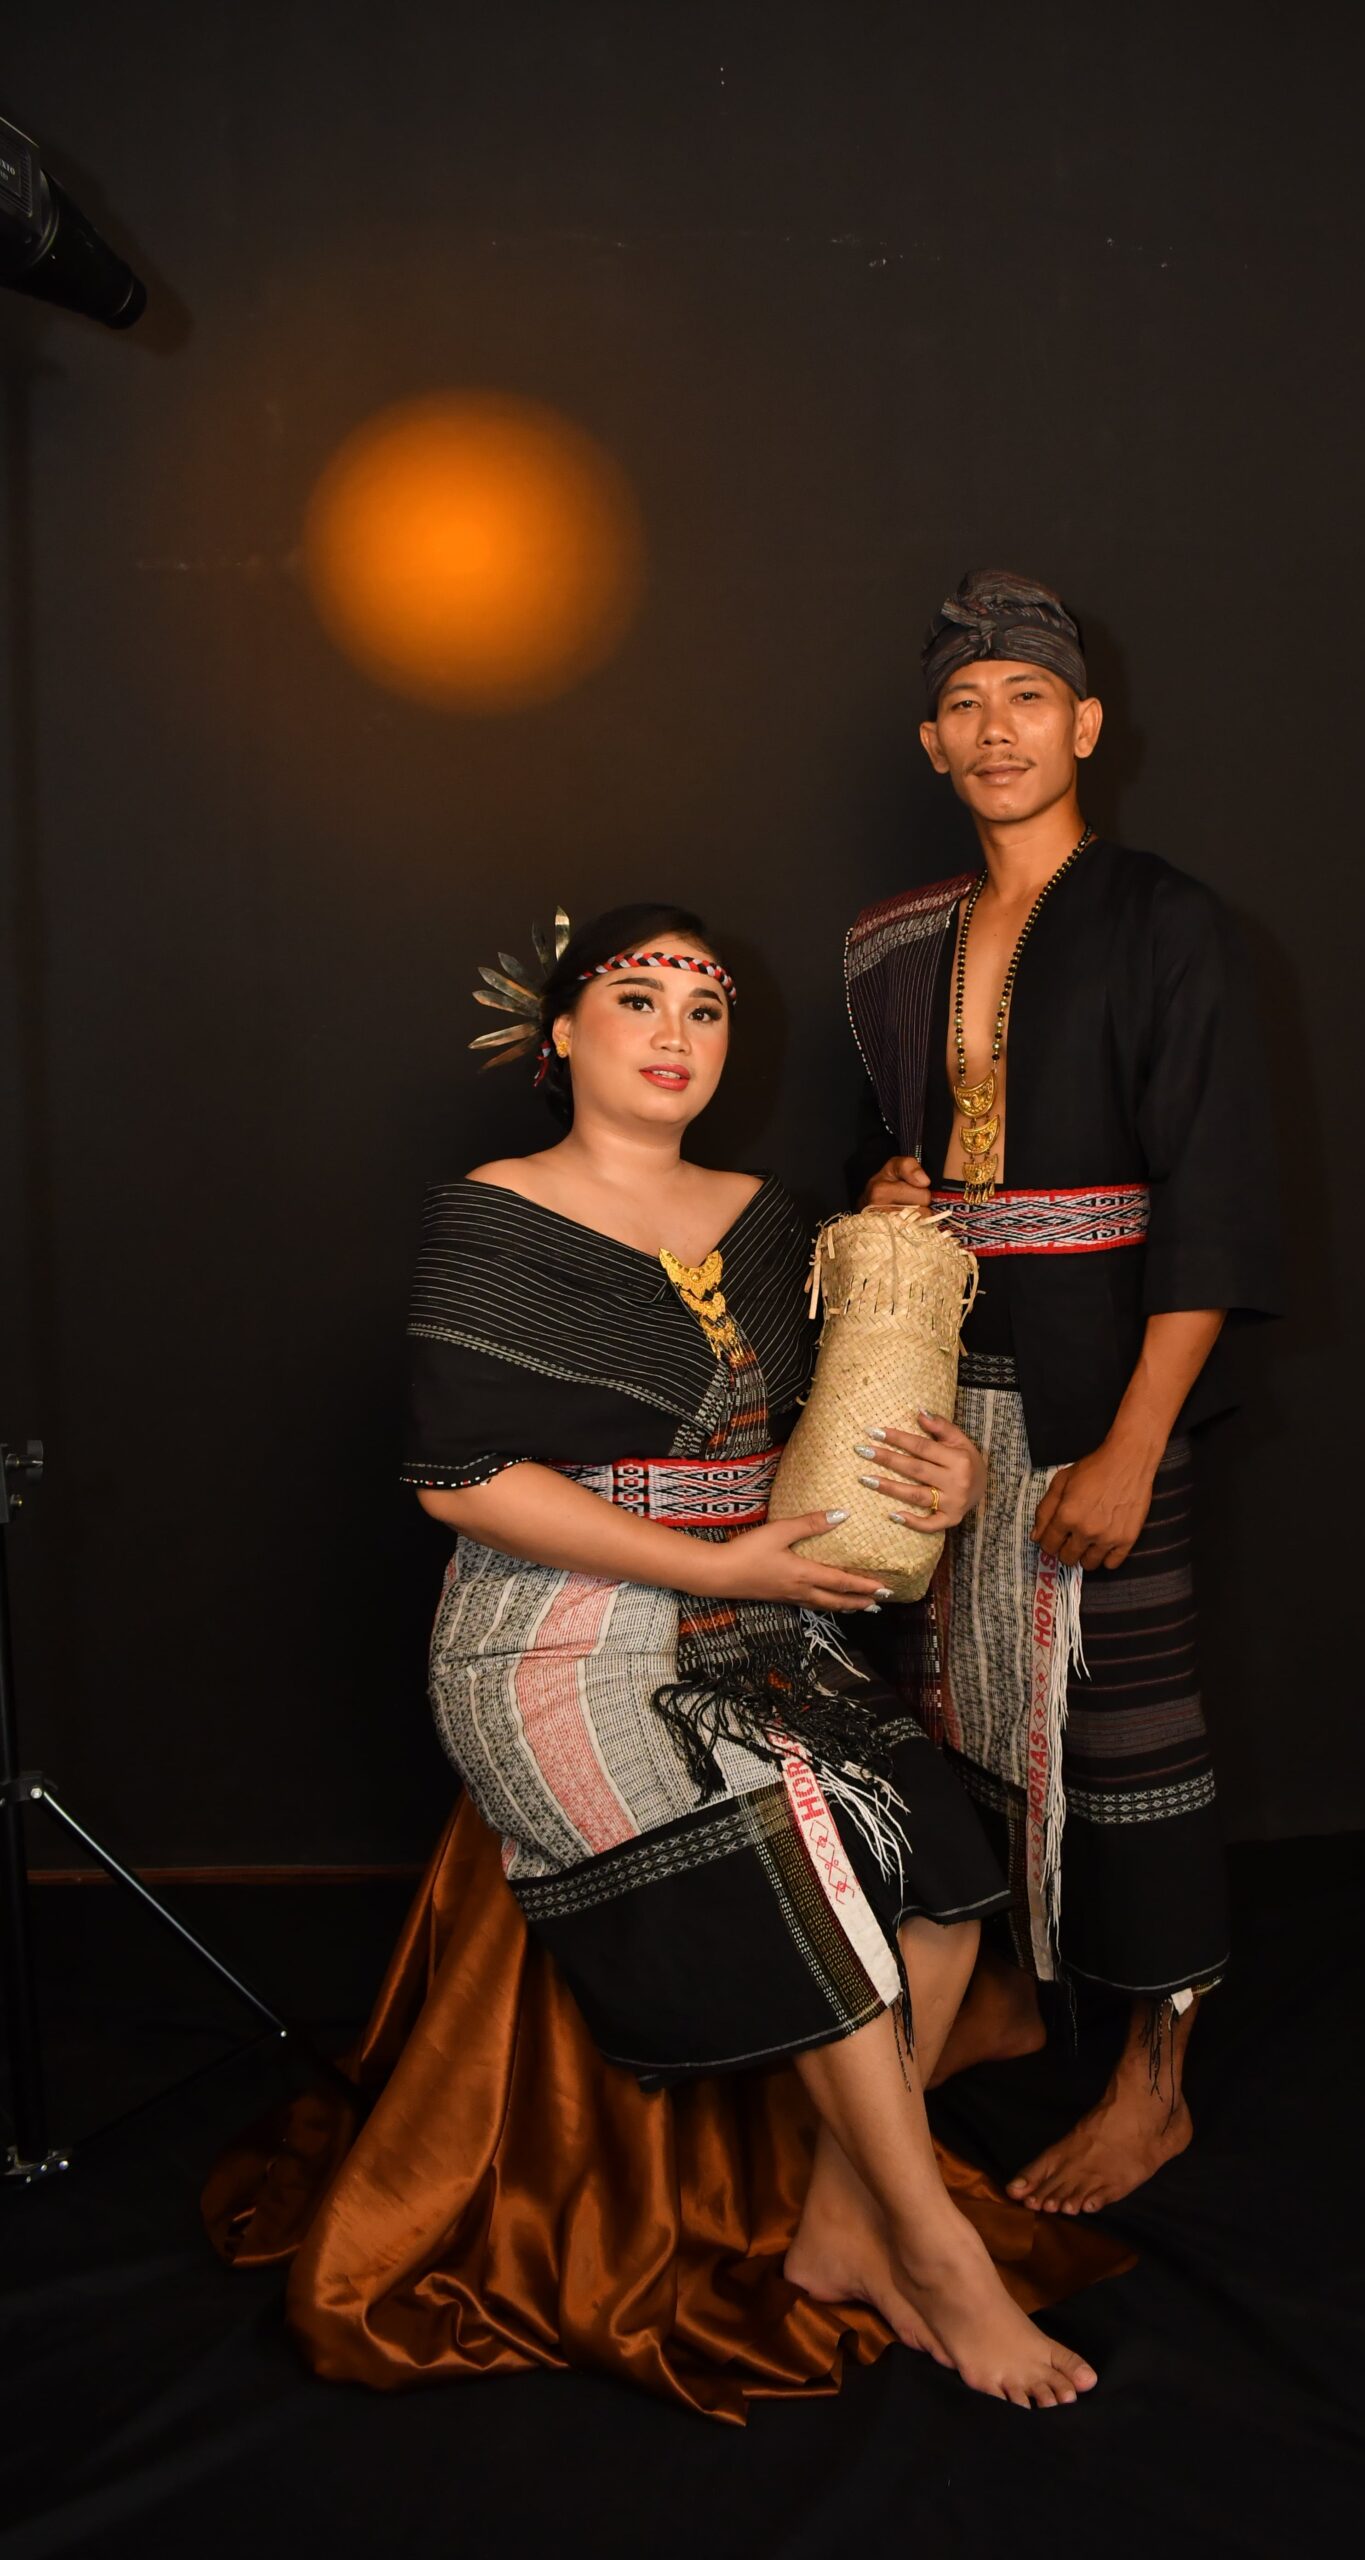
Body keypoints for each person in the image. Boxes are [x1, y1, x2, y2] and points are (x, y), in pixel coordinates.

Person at [209, 897, 1115, 2416]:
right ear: (563, 1032)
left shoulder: (769, 1220)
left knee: (951, 1884)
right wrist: (710, 1561)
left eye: (706, 1009)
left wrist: (945, 1475)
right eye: (639, 999)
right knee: (801, 1858)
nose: (676, 1032)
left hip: (757, 1616)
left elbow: (833, 1428)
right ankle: (939, 2256)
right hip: (551, 1631)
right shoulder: (495, 1213)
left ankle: (844, 2224)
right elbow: (462, 1479)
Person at [846, 572, 1283, 2215]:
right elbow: (891, 1147)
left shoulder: (1166, 920)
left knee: (1125, 1740)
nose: (996, 730)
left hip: (1109, 1389)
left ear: (1085, 725)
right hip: (937, 1379)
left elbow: (1216, 1201)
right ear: (931, 745)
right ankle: (1006, 1998)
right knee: (951, 1715)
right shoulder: (898, 942)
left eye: (1026, 697)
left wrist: (1133, 1446)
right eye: (964, 706)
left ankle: (1153, 2084)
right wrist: (891, 1183)